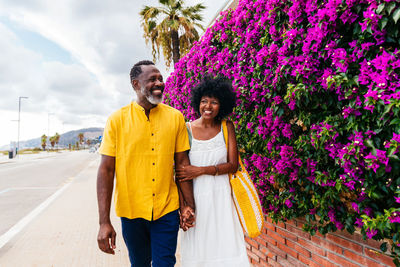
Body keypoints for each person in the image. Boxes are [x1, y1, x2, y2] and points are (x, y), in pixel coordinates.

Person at [96, 60, 195, 267]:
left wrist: (188, 205)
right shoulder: (117, 120)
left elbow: (182, 166)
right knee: (139, 264)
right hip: (131, 211)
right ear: (135, 84)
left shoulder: (176, 118)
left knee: (165, 263)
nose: (159, 82)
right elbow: (106, 170)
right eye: (152, 79)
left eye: (160, 78)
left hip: (166, 209)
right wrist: (104, 221)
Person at [176, 77, 251, 267]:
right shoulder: (187, 129)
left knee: (227, 249)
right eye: (204, 101)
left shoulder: (227, 127)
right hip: (198, 201)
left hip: (223, 199)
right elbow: (181, 174)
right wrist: (184, 206)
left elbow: (233, 165)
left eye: (214, 102)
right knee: (199, 251)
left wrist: (200, 170)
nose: (208, 106)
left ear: (222, 105)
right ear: (197, 102)